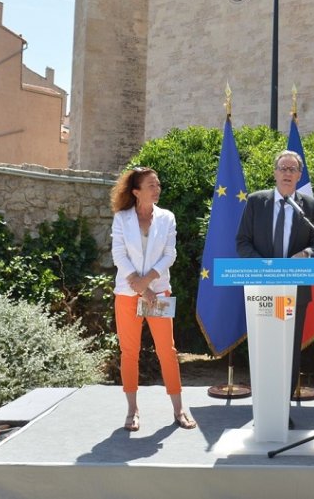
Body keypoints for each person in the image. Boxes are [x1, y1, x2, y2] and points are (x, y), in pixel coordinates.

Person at [236, 149, 314, 423]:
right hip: (262, 290)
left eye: (292, 169)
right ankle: (263, 410)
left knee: (288, 349)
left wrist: (307, 254)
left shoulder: (309, 205)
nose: (287, 173)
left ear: (299, 176)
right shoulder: (256, 202)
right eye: (283, 168)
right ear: (275, 172)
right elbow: (242, 242)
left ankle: (282, 410)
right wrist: (266, 269)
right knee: (264, 348)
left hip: (294, 292)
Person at [110, 166, 196, 431]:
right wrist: (139, 288)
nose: (157, 189)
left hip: (158, 291)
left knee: (167, 351)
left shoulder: (167, 217)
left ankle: (179, 408)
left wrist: (147, 284)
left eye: (158, 184)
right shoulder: (121, 218)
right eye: (151, 185)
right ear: (136, 191)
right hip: (127, 294)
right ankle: (132, 409)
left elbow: (170, 255)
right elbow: (119, 255)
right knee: (129, 352)